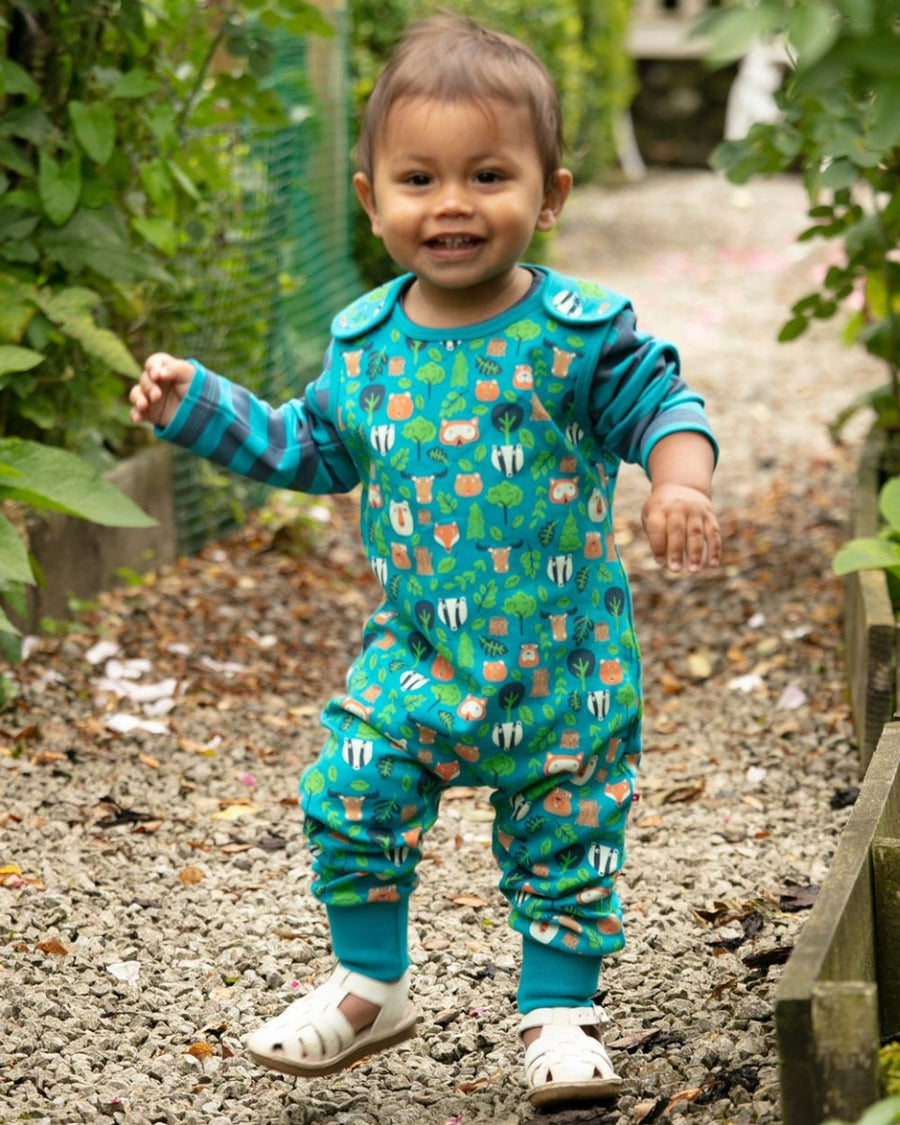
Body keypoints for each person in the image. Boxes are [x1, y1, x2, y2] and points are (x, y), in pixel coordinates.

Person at [129, 14, 720, 1109]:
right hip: (415, 659)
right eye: (419, 178)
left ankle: (557, 1013)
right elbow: (305, 446)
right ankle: (368, 983)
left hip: (562, 664)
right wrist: (196, 404)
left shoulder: (577, 336)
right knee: (352, 790)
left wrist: (679, 480)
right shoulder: (365, 346)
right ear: (372, 200)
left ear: (549, 195)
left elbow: (664, 403)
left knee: (565, 831)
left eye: (488, 175)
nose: (450, 203)